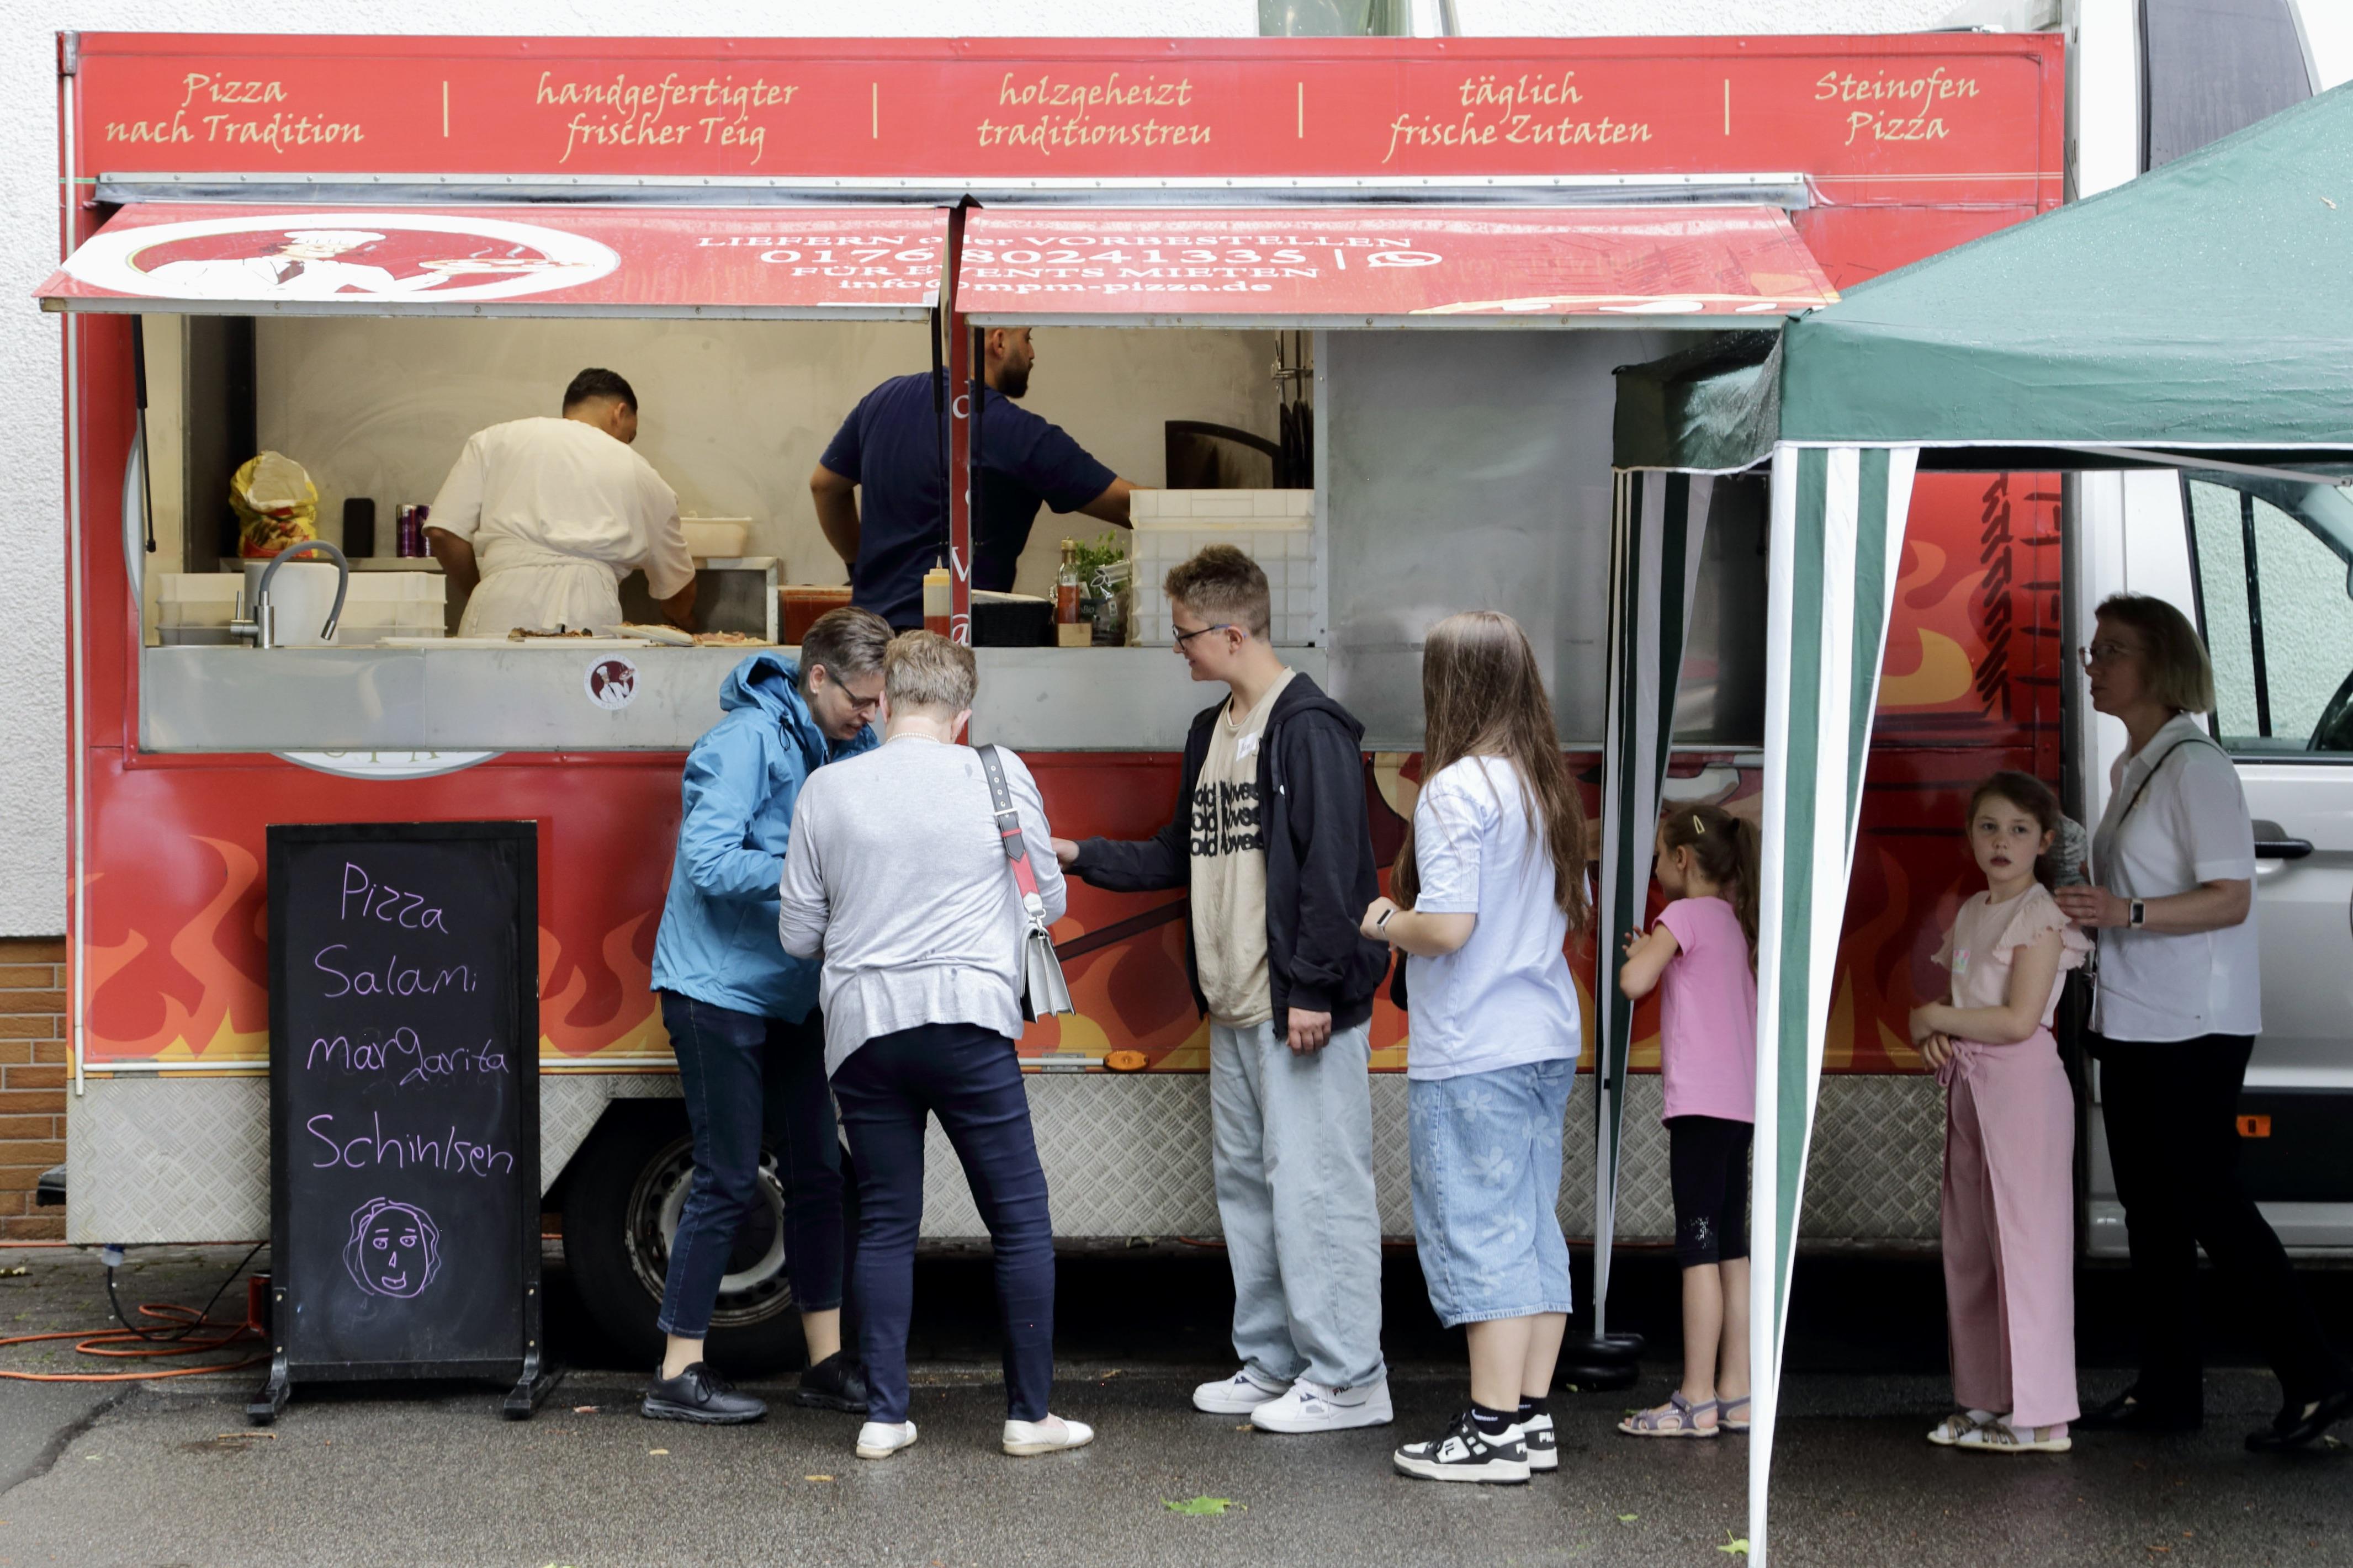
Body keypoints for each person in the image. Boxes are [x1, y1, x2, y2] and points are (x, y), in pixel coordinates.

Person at [1052, 545, 1393, 1435]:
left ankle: (1349, 1377)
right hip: (1237, 1004)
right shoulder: (1211, 732)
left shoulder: (1309, 728)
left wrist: (1313, 987)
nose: (1179, 650)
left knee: (1317, 1187)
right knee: (1249, 1185)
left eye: (1186, 636)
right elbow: (1181, 851)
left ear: (1233, 633)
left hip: (1298, 1008)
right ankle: (1274, 1361)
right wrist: (1081, 856)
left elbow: (1336, 871)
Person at [777, 631, 1093, 1461]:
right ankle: (1029, 1416)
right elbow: (1049, 898)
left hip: (863, 1031)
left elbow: (798, 934)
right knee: (1018, 1220)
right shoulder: (998, 772)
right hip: (968, 1022)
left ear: (883, 700)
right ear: (963, 713)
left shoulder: (826, 788)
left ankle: (884, 1415)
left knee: (886, 1221)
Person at [2053, 594, 2353, 1450]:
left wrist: (2125, 912)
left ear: (2161, 665)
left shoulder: (2195, 767)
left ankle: (2316, 1380)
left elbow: (2229, 896)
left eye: (2111, 651)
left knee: (2206, 1200)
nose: (2092, 665)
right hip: (2138, 1015)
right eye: (2092, 649)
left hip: (2194, 1022)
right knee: (2151, 1211)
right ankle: (2167, 1389)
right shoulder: (2134, 765)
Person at [639, 608, 892, 1427]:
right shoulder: (744, 740)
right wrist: (809, 872)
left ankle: (824, 1364)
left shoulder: (848, 744)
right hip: (715, 989)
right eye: (859, 699)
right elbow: (708, 860)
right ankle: (677, 1373)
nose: (870, 715)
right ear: (816, 677)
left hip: (791, 990)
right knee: (726, 1176)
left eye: (879, 702)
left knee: (819, 1172)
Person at [1358, 611, 1588, 1485]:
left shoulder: (1455, 789)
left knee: (1481, 1231)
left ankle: (1489, 1430)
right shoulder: (1541, 785)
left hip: (1474, 1043)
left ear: (1448, 685)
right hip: (1541, 1036)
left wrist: (1387, 920)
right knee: (1529, 1227)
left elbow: (1448, 927)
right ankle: (1527, 1418)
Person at [1910, 772, 2088, 1454]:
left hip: (2021, 1091)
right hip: (1972, 1084)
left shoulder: (2039, 915)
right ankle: (1987, 1400)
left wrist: (1932, 1017)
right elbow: (1967, 1006)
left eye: (2018, 829)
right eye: (1988, 827)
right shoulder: (1974, 910)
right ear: (1970, 836)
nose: (2001, 841)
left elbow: (2017, 1020)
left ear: (2043, 842)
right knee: (1974, 1248)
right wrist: (1937, 1028)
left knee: (2027, 1250)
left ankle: (2042, 1417)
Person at [810, 326, 1140, 630]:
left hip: (869, 639)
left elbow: (824, 486)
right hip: (951, 647)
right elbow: (1130, 507)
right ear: (999, 342)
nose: (1032, 353)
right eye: (1027, 338)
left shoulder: (881, 401)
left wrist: (862, 568)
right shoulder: (1015, 431)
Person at [1615, 802, 1758, 1439]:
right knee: (1731, 1249)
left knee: (1695, 1252)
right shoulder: (1733, 920)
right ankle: (1736, 1391)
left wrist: (1646, 952)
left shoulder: (1681, 915)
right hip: (1739, 1108)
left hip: (1699, 1107)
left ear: (1680, 859)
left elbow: (1632, 983)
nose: (1655, 870)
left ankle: (1695, 1399)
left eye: (1656, 858)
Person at [426, 368, 697, 636]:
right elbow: (678, 588)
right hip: (587, 611)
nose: (627, 444)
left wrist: (484, 589)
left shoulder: (494, 440)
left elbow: (442, 532)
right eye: (630, 436)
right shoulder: (639, 471)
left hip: (498, 605)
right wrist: (684, 620)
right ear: (619, 413)